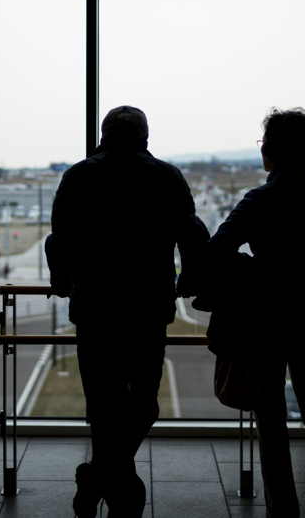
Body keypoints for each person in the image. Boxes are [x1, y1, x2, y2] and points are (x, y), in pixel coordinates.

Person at [205, 107, 305, 518]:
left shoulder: (261, 199)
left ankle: (284, 508)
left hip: (267, 321)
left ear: (271, 153)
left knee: (271, 416)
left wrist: (251, 268)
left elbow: (218, 250)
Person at [47, 105, 209, 518]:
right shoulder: (167, 176)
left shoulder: (79, 175)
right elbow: (193, 234)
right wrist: (188, 280)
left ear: (103, 135)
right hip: (147, 307)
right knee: (145, 402)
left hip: (95, 307)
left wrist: (61, 281)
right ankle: (115, 486)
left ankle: (101, 477)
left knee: (103, 404)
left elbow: (58, 241)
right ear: (145, 137)